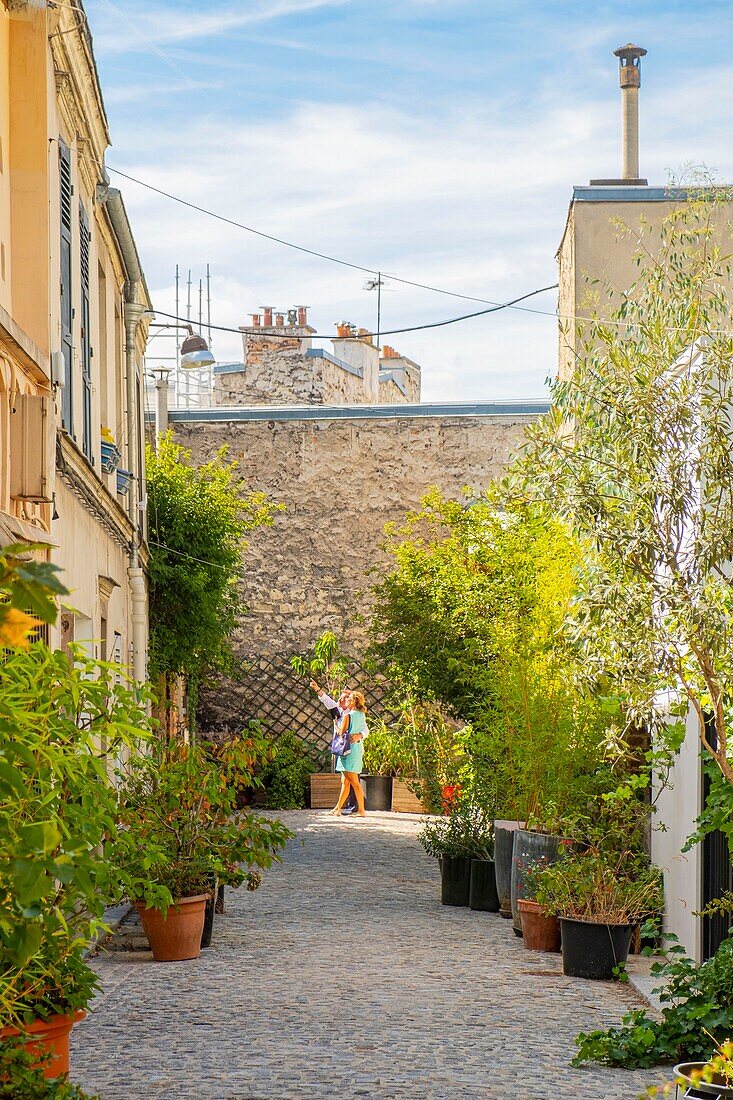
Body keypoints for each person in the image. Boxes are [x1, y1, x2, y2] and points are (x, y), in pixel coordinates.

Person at [310, 679, 362, 814]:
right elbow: (326, 700)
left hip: (351, 749)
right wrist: (317, 689)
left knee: (352, 780)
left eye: (343, 699)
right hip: (342, 748)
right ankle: (339, 809)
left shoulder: (353, 714)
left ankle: (358, 809)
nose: (339, 700)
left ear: (350, 701)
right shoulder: (339, 711)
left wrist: (360, 735)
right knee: (345, 781)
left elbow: (365, 730)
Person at [328, 690, 367, 817]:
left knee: (354, 782)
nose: (346, 701)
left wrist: (335, 724)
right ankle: (337, 809)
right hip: (355, 749)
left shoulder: (348, 716)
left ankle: (361, 810)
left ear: (353, 701)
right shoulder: (362, 715)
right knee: (346, 782)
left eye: (348, 699)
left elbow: (341, 733)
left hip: (347, 751)